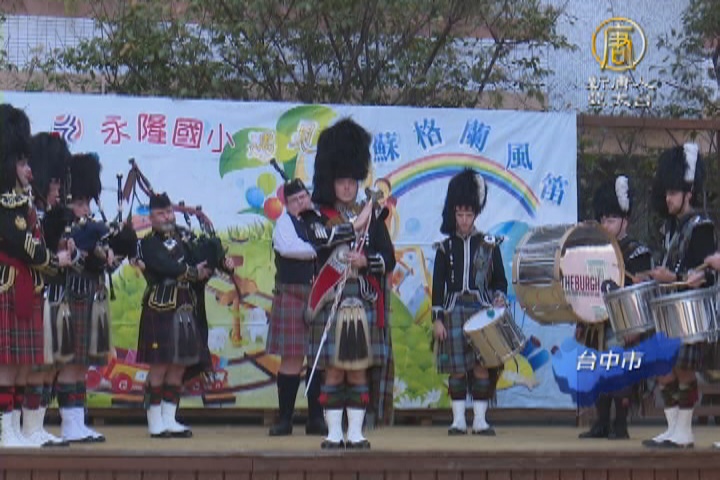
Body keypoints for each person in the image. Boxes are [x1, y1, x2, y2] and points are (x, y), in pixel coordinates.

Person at [306, 118, 396, 449]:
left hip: (363, 300)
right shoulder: (317, 216)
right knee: (333, 370)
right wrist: (355, 227)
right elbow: (320, 242)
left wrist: (366, 262)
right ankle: (333, 433)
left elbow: (389, 258)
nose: (347, 188)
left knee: (358, 370)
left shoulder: (373, 217)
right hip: (331, 300)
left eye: (352, 181)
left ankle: (356, 432)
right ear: (331, 182)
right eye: (341, 181)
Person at [0, 104, 73, 448]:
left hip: (26, 286)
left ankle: (20, 429)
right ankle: (5, 431)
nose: (28, 169)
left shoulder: (20, 201)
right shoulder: (6, 203)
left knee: (23, 364)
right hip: (10, 284)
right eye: (21, 162)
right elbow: (23, 244)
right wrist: (54, 260)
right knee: (7, 364)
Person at [642, 143, 716, 449]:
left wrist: (674, 278)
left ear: (689, 193)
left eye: (673, 192)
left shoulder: (702, 227)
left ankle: (684, 431)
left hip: (691, 312)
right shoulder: (671, 228)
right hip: (669, 310)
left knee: (684, 370)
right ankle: (673, 428)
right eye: (666, 193)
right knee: (662, 368)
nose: (668, 198)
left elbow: (707, 275)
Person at [431, 168, 507, 436]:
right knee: (457, 368)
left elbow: (500, 281)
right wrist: (437, 320)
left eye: (468, 214)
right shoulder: (445, 248)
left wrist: (499, 298)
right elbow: (437, 287)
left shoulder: (489, 245)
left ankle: (480, 421)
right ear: (453, 213)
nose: (464, 220)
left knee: (481, 366)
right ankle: (458, 421)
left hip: (481, 313)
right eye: (460, 214)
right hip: (452, 311)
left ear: (476, 214)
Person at [577, 174, 653, 440]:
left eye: (611, 219)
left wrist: (635, 327)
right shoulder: (595, 252)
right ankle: (601, 423)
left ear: (625, 220)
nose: (605, 225)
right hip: (597, 322)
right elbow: (586, 287)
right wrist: (582, 320)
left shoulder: (638, 253)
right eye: (602, 219)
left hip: (625, 323)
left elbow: (641, 294)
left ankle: (620, 425)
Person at [136, 192, 215, 438]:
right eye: (161, 214)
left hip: (185, 304)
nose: (167, 217)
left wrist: (211, 262)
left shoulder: (184, 237)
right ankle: (154, 420)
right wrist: (193, 271)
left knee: (180, 363)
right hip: (160, 305)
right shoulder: (148, 243)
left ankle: (169, 418)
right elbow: (165, 266)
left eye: (169, 212)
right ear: (151, 218)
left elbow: (200, 258)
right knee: (160, 364)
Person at [267, 170, 327, 436]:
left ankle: (316, 419)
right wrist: (319, 248)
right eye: (295, 200)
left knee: (318, 359)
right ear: (287, 204)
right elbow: (290, 248)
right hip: (292, 295)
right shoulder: (284, 223)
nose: (301, 202)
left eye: (304, 197)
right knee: (292, 359)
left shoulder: (319, 221)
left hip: (318, 296)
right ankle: (285, 419)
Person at [24, 131, 73, 447]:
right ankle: (26, 428)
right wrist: (56, 256)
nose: (58, 188)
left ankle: (36, 426)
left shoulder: (50, 213)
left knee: (50, 365)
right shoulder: (26, 209)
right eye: (54, 181)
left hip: (54, 294)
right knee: (35, 365)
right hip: (33, 292)